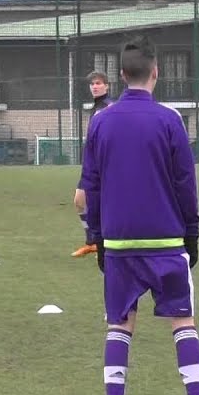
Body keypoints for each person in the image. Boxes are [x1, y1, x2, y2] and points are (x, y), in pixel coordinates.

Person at [80, 35, 199, 395]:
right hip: (165, 241)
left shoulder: (100, 121)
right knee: (183, 322)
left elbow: (90, 187)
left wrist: (96, 237)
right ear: (156, 73)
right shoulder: (169, 120)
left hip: (119, 243)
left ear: (121, 76)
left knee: (119, 326)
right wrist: (193, 234)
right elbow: (186, 184)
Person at [71, 70, 114, 258]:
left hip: (104, 167)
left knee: (100, 205)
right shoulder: (96, 107)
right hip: (91, 166)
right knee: (80, 201)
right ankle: (92, 242)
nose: (95, 86)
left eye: (99, 83)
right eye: (92, 84)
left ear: (107, 86)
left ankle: (103, 243)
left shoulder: (108, 107)